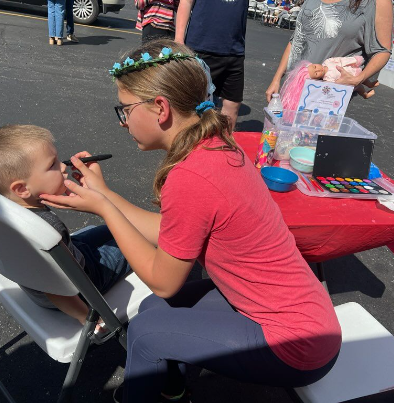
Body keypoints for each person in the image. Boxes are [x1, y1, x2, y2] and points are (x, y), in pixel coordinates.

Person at [40, 39, 342, 403]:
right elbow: (171, 234)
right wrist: (104, 197)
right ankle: (170, 388)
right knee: (153, 310)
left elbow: (163, 281)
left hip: (296, 345)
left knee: (147, 330)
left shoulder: (191, 177)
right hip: (304, 318)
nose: (122, 122)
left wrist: (104, 210)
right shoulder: (216, 146)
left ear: (160, 108)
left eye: (124, 110)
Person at [0, 125, 131, 326]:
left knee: (107, 230)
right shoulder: (44, 230)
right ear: (22, 188)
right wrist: (86, 317)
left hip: (54, 269)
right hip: (83, 285)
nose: (63, 166)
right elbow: (57, 287)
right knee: (133, 241)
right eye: (52, 165)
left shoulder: (0, 207)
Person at [265, 0, 393, 103]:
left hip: (327, 95)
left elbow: (382, 51)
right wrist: (276, 79)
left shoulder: (376, 2)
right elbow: (296, 40)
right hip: (294, 87)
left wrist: (358, 79)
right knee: (279, 132)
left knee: (312, 134)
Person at [175, 0, 249, 131]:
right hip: (200, 47)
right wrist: (179, 40)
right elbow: (186, 2)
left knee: (232, 106)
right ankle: (188, 147)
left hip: (234, 50)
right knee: (193, 106)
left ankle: (223, 147)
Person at [280, 57, 378, 111]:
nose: (318, 69)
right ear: (316, 78)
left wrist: (353, 60)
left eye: (315, 67)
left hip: (351, 70)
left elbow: (340, 60)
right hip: (349, 81)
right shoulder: (327, 80)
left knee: (363, 78)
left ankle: (370, 84)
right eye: (316, 73)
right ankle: (365, 94)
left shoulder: (327, 61)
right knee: (360, 87)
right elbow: (335, 86)